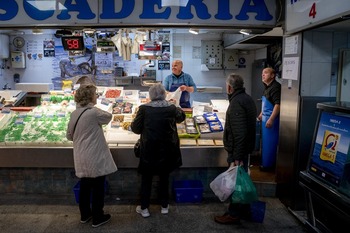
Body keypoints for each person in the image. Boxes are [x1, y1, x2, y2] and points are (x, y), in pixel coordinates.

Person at [130, 83, 186, 218]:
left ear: (150, 95)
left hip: (149, 149)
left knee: (146, 179)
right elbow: (182, 117)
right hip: (167, 150)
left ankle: (144, 209)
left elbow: (135, 129)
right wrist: (176, 104)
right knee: (164, 177)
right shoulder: (171, 108)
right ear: (164, 94)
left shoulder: (144, 109)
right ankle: (164, 206)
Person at [66, 84, 117, 228]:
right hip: (94, 156)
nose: (97, 96)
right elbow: (108, 117)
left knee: (85, 186)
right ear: (89, 97)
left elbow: (69, 136)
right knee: (98, 187)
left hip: (80, 156)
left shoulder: (74, 113)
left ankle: (85, 215)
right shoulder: (93, 113)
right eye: (95, 94)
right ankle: (98, 217)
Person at [214, 74, 257, 225]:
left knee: (235, 183)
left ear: (230, 87)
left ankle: (233, 214)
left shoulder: (237, 102)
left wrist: (236, 157)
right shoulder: (247, 98)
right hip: (245, 149)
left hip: (239, 151)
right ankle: (245, 211)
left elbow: (240, 133)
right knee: (241, 182)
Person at [257, 67, 281, 171]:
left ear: (272, 75)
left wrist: (271, 119)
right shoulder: (267, 87)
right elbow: (267, 101)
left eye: (266, 73)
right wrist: (261, 114)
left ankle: (270, 166)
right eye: (262, 73)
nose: (263, 75)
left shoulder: (275, 87)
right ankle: (265, 163)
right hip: (265, 119)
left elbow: (277, 104)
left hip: (272, 122)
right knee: (265, 144)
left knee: (271, 144)